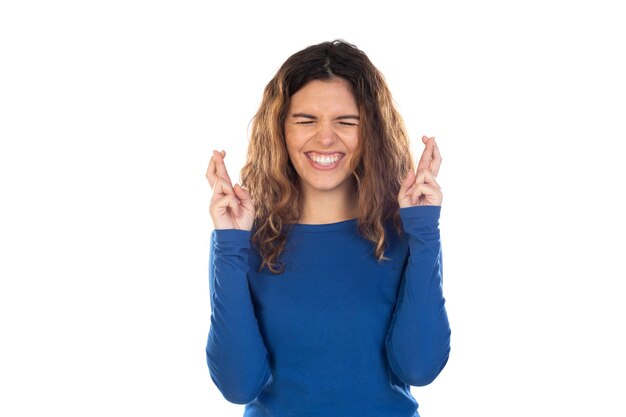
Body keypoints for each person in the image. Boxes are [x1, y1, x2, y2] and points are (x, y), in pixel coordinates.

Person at [205, 40, 450, 417]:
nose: (324, 138)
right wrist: (230, 244)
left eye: (346, 122)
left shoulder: (405, 231)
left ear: (370, 131)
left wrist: (425, 231)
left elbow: (418, 367)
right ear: (280, 129)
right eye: (305, 121)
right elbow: (239, 385)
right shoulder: (244, 237)